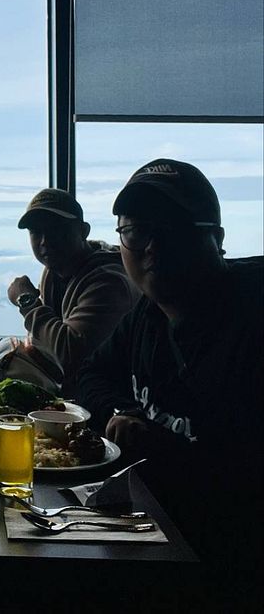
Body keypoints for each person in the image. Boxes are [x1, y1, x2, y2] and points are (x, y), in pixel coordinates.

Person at [76, 159, 263, 595]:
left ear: (214, 239)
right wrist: (119, 412)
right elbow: (93, 372)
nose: (151, 245)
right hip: (149, 531)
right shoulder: (148, 311)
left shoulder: (251, 321)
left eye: (172, 227)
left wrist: (158, 444)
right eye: (136, 230)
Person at [6, 188, 138, 396]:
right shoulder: (54, 271)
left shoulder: (109, 282)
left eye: (55, 229)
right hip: (74, 398)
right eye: (35, 232)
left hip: (112, 407)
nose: (44, 241)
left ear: (83, 231)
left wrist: (27, 301)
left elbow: (71, 354)